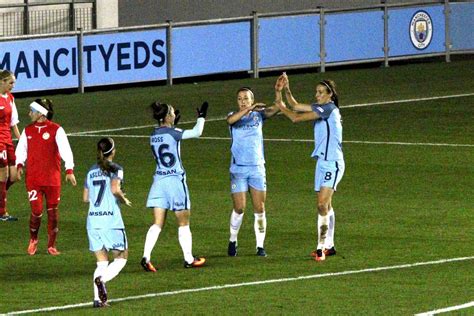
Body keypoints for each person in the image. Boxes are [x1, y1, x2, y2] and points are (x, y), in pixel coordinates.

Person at [275, 73, 345, 261]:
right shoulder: (323, 107)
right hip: (322, 162)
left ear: (330, 94)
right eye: (316, 92)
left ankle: (320, 248)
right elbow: (296, 105)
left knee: (321, 204)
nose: (317, 95)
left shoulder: (329, 108)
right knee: (326, 205)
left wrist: (280, 106)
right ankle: (329, 246)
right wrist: (286, 89)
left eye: (321, 92)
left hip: (333, 163)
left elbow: (296, 117)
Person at [141, 101, 209, 271]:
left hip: (158, 182)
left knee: (157, 223)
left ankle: (146, 256)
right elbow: (197, 132)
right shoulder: (174, 132)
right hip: (174, 181)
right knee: (183, 222)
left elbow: (166, 138)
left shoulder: (153, 135)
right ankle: (188, 259)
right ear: (166, 117)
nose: (174, 114)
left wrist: (172, 125)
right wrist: (201, 117)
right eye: (171, 112)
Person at [15, 98, 77, 255]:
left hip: (52, 179)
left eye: (32, 111)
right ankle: (33, 240)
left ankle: (51, 245)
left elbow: (66, 151)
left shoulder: (56, 130)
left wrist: (69, 170)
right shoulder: (27, 130)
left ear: (41, 113)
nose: (29, 113)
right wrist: (19, 165)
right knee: (36, 211)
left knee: (53, 212)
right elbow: (21, 150)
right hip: (34, 179)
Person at [226, 87, 280, 257]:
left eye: (246, 98)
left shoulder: (259, 115)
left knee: (260, 207)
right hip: (238, 169)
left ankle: (260, 246)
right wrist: (248, 109)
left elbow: (278, 107)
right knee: (240, 208)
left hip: (257, 168)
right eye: (240, 98)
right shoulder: (233, 116)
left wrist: (279, 91)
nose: (243, 101)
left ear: (252, 99)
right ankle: (233, 240)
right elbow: (230, 121)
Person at [84, 137, 131, 308]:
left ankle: (98, 300)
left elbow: (85, 197)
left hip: (92, 221)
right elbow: (115, 189)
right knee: (121, 258)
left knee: (102, 262)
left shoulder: (90, 171)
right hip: (110, 220)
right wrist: (123, 199)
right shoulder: (116, 169)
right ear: (113, 151)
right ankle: (101, 280)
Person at [0, 70, 21, 222]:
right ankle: (2, 212)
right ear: (2, 81)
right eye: (11, 82)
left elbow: (13, 122)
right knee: (4, 174)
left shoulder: (10, 98)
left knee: (15, 175)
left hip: (8, 139)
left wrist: (21, 140)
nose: (13, 85)